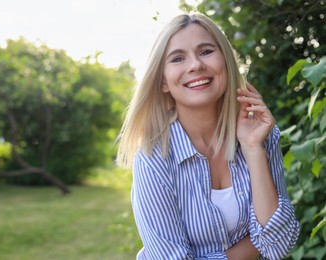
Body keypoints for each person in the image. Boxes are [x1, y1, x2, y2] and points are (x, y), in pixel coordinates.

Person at [116, 13, 299, 259]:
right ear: (163, 82)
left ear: (225, 61)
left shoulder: (261, 136)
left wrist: (253, 148)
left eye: (206, 51)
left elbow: (279, 245)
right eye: (178, 58)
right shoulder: (153, 157)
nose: (195, 65)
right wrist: (247, 249)